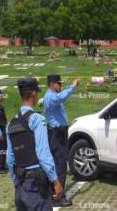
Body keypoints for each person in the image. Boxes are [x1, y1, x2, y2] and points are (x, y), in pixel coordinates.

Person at [7, 78, 64, 211]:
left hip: (20, 185)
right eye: (37, 92)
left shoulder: (11, 123)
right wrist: (55, 181)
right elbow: (43, 154)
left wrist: (16, 182)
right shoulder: (37, 119)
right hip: (36, 187)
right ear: (33, 94)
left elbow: (10, 159)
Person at [43, 75, 79, 207]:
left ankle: (52, 193)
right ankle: (58, 197)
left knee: (56, 163)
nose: (60, 85)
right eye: (59, 83)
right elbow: (62, 97)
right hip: (57, 134)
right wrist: (73, 86)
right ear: (53, 84)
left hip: (57, 133)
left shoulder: (51, 96)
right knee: (60, 165)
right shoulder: (52, 96)